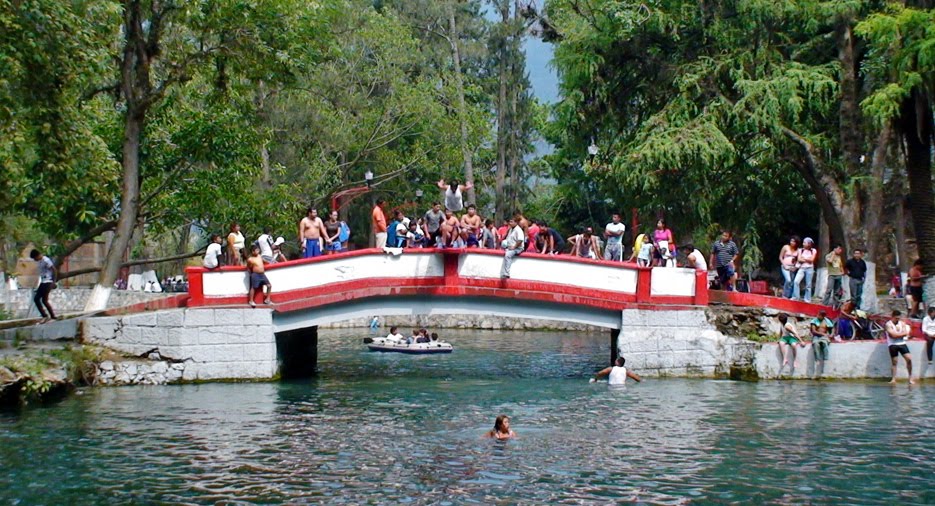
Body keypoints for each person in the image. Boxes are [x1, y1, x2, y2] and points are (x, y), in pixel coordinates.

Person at [885, 310, 915, 384]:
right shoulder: (888, 324)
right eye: (896, 318)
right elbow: (893, 335)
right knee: (894, 362)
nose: (897, 320)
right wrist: (901, 334)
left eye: (898, 318)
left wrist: (897, 335)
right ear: (892, 317)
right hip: (892, 344)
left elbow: (905, 333)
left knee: (909, 359)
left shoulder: (902, 323)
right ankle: (893, 378)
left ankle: (910, 378)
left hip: (902, 343)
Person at [30, 249, 57, 323]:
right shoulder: (40, 261)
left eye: (35, 258)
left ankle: (45, 316)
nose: (35, 260)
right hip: (43, 282)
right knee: (44, 300)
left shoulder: (46, 260)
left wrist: (54, 282)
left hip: (48, 282)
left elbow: (54, 270)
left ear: (37, 255)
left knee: (36, 299)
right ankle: (52, 316)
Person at [810, 310, 834, 377]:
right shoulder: (814, 321)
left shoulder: (827, 321)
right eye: (818, 314)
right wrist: (822, 334)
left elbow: (832, 329)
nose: (818, 316)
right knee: (815, 344)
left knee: (824, 344)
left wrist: (831, 334)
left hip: (824, 337)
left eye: (820, 315)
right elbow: (814, 331)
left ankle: (825, 359)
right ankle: (817, 359)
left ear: (823, 316)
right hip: (816, 337)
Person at [792, 237, 818, 302]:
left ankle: (807, 299)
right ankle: (796, 297)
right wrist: (806, 259)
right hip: (802, 268)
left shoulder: (813, 250)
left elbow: (812, 260)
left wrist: (804, 259)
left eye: (805, 242)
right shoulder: (800, 250)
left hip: (809, 268)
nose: (803, 244)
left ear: (809, 244)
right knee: (796, 281)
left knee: (808, 285)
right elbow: (799, 259)